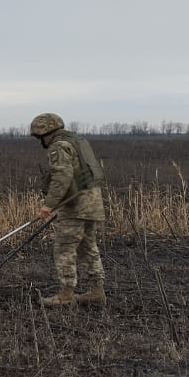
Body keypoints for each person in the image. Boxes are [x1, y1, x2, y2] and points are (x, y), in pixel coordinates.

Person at [29, 113, 106, 306]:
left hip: (76, 206)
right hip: (92, 202)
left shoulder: (59, 146)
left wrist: (48, 205)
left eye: (40, 138)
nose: (41, 142)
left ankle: (66, 294)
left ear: (46, 133)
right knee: (88, 248)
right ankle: (97, 291)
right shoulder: (76, 141)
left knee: (64, 249)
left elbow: (62, 176)